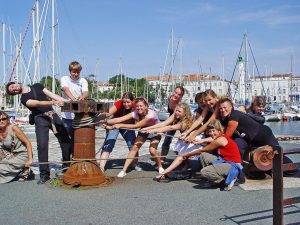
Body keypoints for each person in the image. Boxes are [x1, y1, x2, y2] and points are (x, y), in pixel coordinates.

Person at [6, 82, 71, 184]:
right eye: (12, 90)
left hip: (53, 115)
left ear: (16, 83)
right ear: (15, 93)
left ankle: (66, 166)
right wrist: (52, 103)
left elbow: (51, 94)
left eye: (13, 86)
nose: (14, 89)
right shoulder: (23, 99)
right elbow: (36, 103)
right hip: (40, 119)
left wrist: (67, 101)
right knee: (42, 145)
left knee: (65, 140)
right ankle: (44, 174)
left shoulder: (37, 86)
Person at [155, 120, 242, 191]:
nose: (211, 133)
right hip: (226, 161)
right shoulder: (219, 137)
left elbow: (202, 150)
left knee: (204, 172)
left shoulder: (220, 140)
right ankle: (212, 179)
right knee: (204, 156)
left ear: (219, 130)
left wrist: (187, 155)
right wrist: (200, 141)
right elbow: (210, 140)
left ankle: (226, 180)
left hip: (234, 166)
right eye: (210, 131)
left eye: (214, 131)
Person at [105, 97, 163, 178]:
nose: (139, 108)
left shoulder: (151, 115)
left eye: (141, 106)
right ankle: (124, 170)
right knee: (134, 148)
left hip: (155, 131)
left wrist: (120, 125)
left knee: (152, 150)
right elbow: (120, 119)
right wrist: (104, 122)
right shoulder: (135, 113)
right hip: (143, 131)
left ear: (146, 106)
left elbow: (136, 126)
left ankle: (160, 166)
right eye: (137, 106)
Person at [96, 92, 140, 172]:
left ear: (132, 101)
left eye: (128, 102)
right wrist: (96, 120)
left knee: (132, 144)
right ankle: (102, 167)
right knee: (109, 143)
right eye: (124, 102)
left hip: (127, 125)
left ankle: (134, 163)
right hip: (115, 123)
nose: (126, 104)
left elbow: (140, 120)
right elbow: (107, 113)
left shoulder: (135, 106)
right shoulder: (119, 103)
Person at [60, 61, 89, 158]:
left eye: (78, 72)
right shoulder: (64, 78)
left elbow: (85, 92)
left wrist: (82, 97)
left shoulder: (83, 80)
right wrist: (74, 100)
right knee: (66, 140)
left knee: (77, 139)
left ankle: (76, 158)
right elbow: (65, 89)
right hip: (67, 115)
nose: (76, 74)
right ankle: (66, 162)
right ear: (70, 71)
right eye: (74, 72)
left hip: (78, 116)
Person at [0, 111, 33, 183]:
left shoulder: (13, 128)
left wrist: (30, 159)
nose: (1, 121)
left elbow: (28, 143)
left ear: (8, 120)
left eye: (3, 119)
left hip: (22, 155)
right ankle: (21, 170)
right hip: (10, 154)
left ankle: (24, 169)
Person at [160, 86, 185, 165]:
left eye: (179, 94)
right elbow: (172, 117)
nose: (176, 95)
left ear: (181, 97)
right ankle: (162, 160)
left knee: (185, 140)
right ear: (173, 92)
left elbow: (175, 118)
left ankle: (184, 161)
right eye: (175, 92)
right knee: (166, 141)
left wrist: (163, 128)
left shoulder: (179, 105)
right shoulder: (170, 98)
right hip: (172, 119)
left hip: (182, 122)